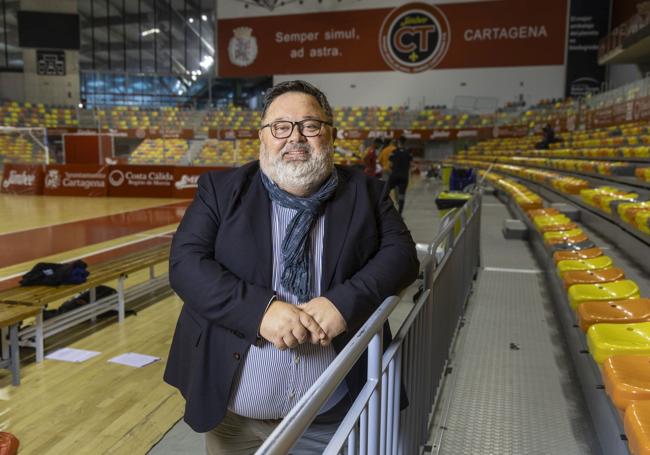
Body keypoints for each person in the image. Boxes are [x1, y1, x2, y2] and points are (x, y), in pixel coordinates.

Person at [163, 80, 419, 454]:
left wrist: (343, 304)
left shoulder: (366, 193)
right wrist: (259, 311)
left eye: (310, 126)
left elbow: (402, 257)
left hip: (331, 417)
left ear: (330, 135)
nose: (295, 137)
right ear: (263, 137)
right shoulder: (221, 190)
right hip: (233, 422)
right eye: (281, 127)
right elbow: (185, 264)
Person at [387, 136, 413, 214]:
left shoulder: (394, 152)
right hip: (404, 177)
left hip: (394, 175)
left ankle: (387, 209)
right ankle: (399, 213)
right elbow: (410, 165)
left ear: (398, 142)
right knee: (402, 195)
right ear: (405, 142)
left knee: (385, 191)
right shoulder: (409, 153)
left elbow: (390, 164)